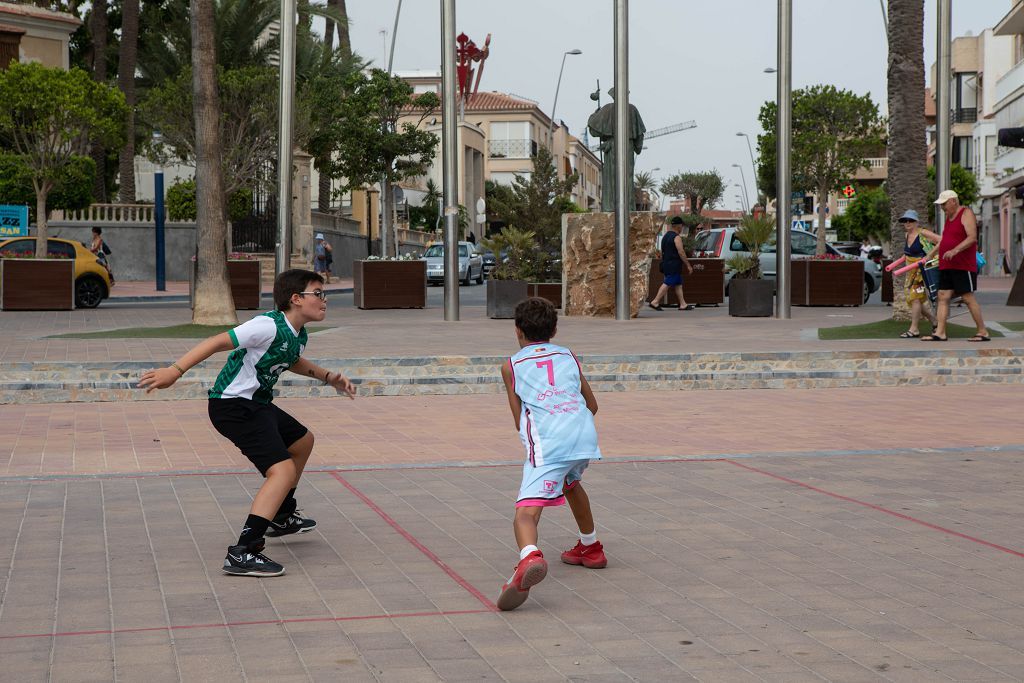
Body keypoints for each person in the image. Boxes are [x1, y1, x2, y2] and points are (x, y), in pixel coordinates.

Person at [137, 269, 356, 577]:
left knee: (303, 441)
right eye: (318, 293)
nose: (324, 300)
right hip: (233, 406)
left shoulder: (298, 333)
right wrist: (175, 370)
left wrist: (328, 377)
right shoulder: (266, 325)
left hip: (256, 404)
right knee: (282, 470)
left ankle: (281, 515)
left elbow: (290, 359)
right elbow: (216, 341)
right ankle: (244, 551)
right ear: (296, 299)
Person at [496, 297, 606, 611]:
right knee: (570, 484)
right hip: (584, 436)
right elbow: (593, 404)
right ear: (554, 329)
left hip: (549, 444)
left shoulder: (512, 366)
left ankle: (529, 556)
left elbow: (519, 419)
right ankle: (591, 547)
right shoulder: (568, 355)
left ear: (517, 331)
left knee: (526, 513)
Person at [922, 190, 990, 342]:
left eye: (944, 204)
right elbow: (945, 240)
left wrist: (955, 250)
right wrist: (932, 254)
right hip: (947, 265)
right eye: (941, 205)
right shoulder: (949, 217)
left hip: (962, 265)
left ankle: (982, 331)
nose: (942, 207)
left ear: (953, 201)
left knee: (967, 297)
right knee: (942, 296)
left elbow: (972, 238)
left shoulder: (966, 213)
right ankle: (940, 332)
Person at [896, 209, 940, 338]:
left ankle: (914, 329)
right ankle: (934, 320)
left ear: (916, 222)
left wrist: (929, 255)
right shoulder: (906, 235)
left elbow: (942, 240)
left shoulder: (923, 233)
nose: (908, 223)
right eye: (905, 220)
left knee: (915, 298)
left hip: (922, 271)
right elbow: (908, 253)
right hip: (911, 271)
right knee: (913, 300)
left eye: (911, 220)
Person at [648, 217, 694, 311]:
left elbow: (662, 252)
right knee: (668, 282)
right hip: (674, 265)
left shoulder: (665, 236)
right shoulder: (676, 237)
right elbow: (681, 252)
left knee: (678, 283)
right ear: (679, 226)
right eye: (681, 226)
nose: (682, 228)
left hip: (666, 263)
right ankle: (655, 301)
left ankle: (683, 304)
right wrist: (688, 265)